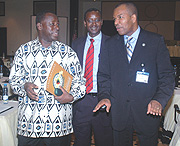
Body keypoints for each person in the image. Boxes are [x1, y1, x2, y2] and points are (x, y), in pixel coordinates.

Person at [93, 2, 175, 146]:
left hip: (147, 112)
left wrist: (158, 100)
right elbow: (104, 76)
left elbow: (167, 77)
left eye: (120, 17)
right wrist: (104, 96)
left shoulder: (155, 41)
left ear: (133, 17)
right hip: (119, 112)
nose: (116, 23)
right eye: (114, 19)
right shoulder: (110, 44)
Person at [9, 12, 86, 146]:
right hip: (30, 126)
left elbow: (80, 83)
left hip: (58, 126)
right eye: (52, 24)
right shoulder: (24, 51)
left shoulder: (67, 53)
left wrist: (71, 97)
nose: (57, 27)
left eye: (58, 24)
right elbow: (14, 81)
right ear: (39, 26)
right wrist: (25, 86)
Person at [71, 8, 113, 146]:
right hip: (81, 101)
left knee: (105, 141)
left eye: (96, 20)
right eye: (90, 20)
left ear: (101, 22)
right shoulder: (76, 44)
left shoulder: (112, 43)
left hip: (103, 100)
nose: (93, 23)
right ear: (85, 23)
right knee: (81, 141)